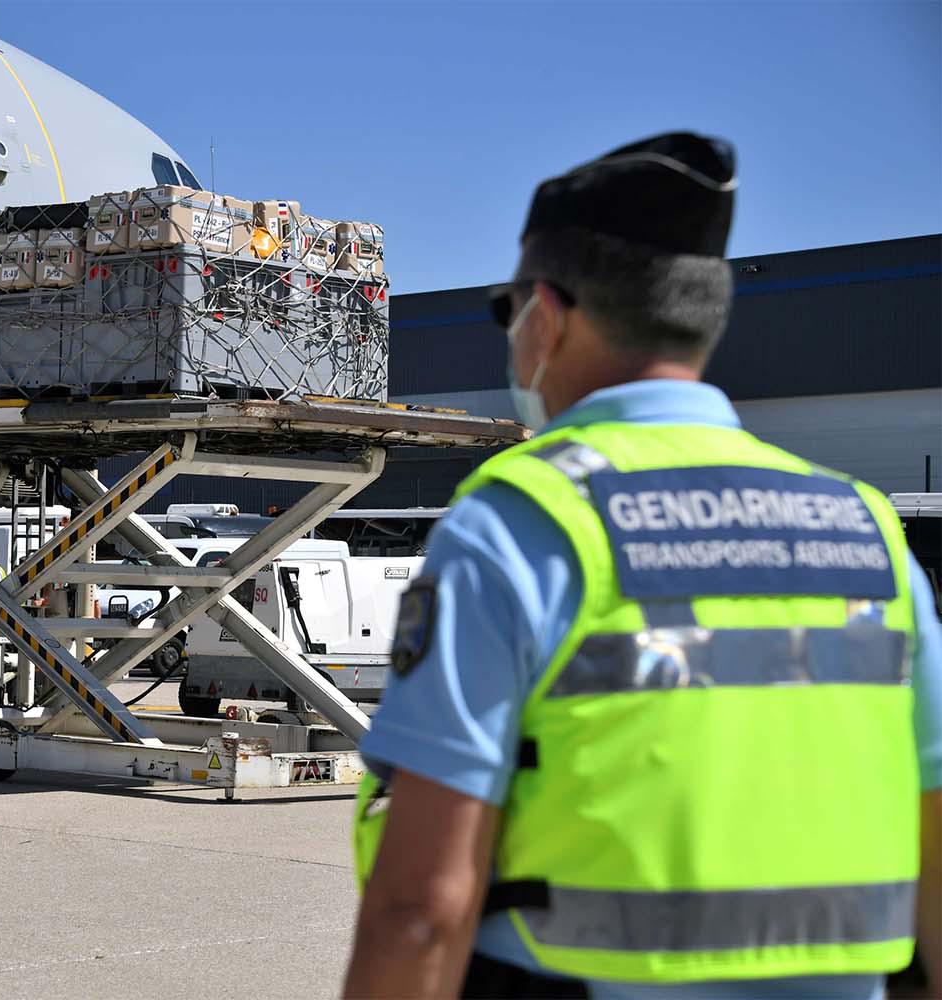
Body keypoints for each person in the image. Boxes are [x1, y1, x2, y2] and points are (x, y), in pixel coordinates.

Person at [343, 132, 942, 1000]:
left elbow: (420, 912)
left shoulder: (523, 521)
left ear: (544, 316)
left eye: (505, 312)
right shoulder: (866, 529)